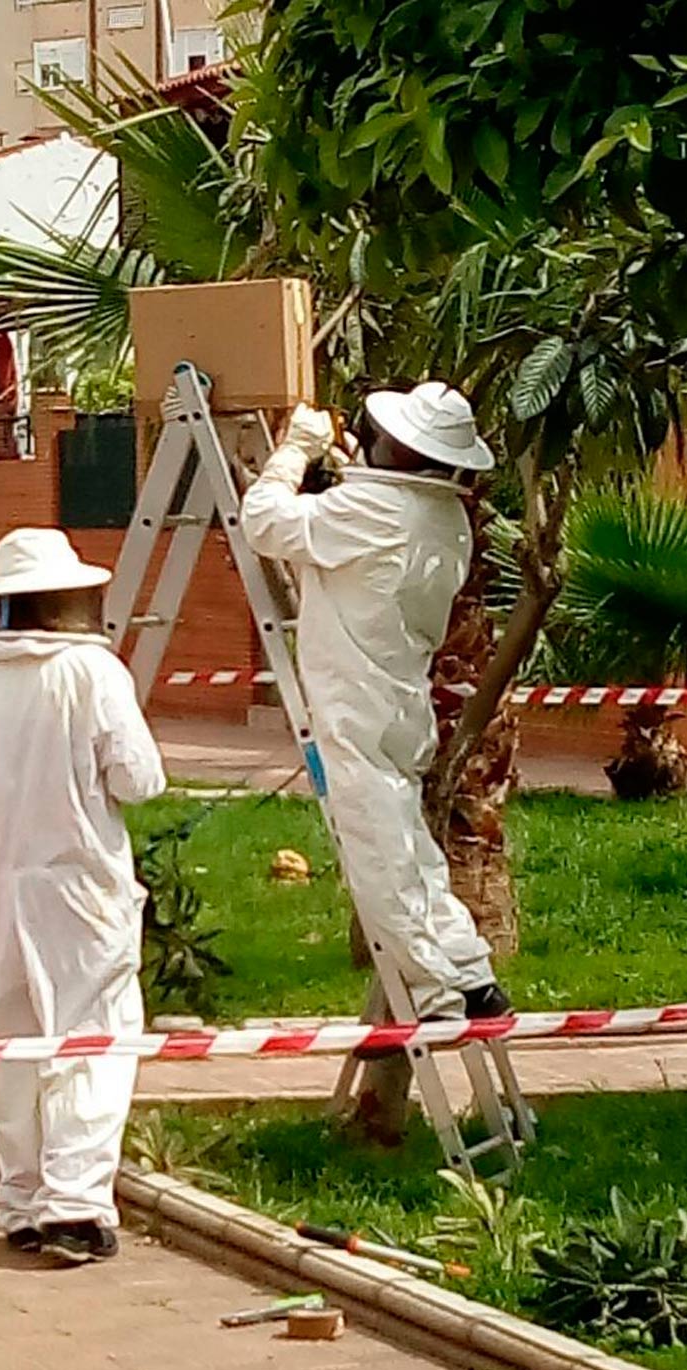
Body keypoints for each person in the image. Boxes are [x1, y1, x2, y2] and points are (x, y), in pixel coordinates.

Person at [0, 528, 166, 1265]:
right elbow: (139, 778)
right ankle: (76, 1204)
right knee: (91, 1037)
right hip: (81, 886)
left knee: (7, 1041)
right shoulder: (93, 672)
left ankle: (24, 1199)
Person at [240, 383, 511, 1025]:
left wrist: (293, 453)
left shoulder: (374, 510)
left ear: (407, 452)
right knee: (410, 845)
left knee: (379, 851)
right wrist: (335, 465)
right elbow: (360, 530)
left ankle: (433, 991)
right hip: (398, 700)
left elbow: (264, 521)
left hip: (356, 701)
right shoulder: (442, 518)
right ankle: (469, 970)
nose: (373, 440)